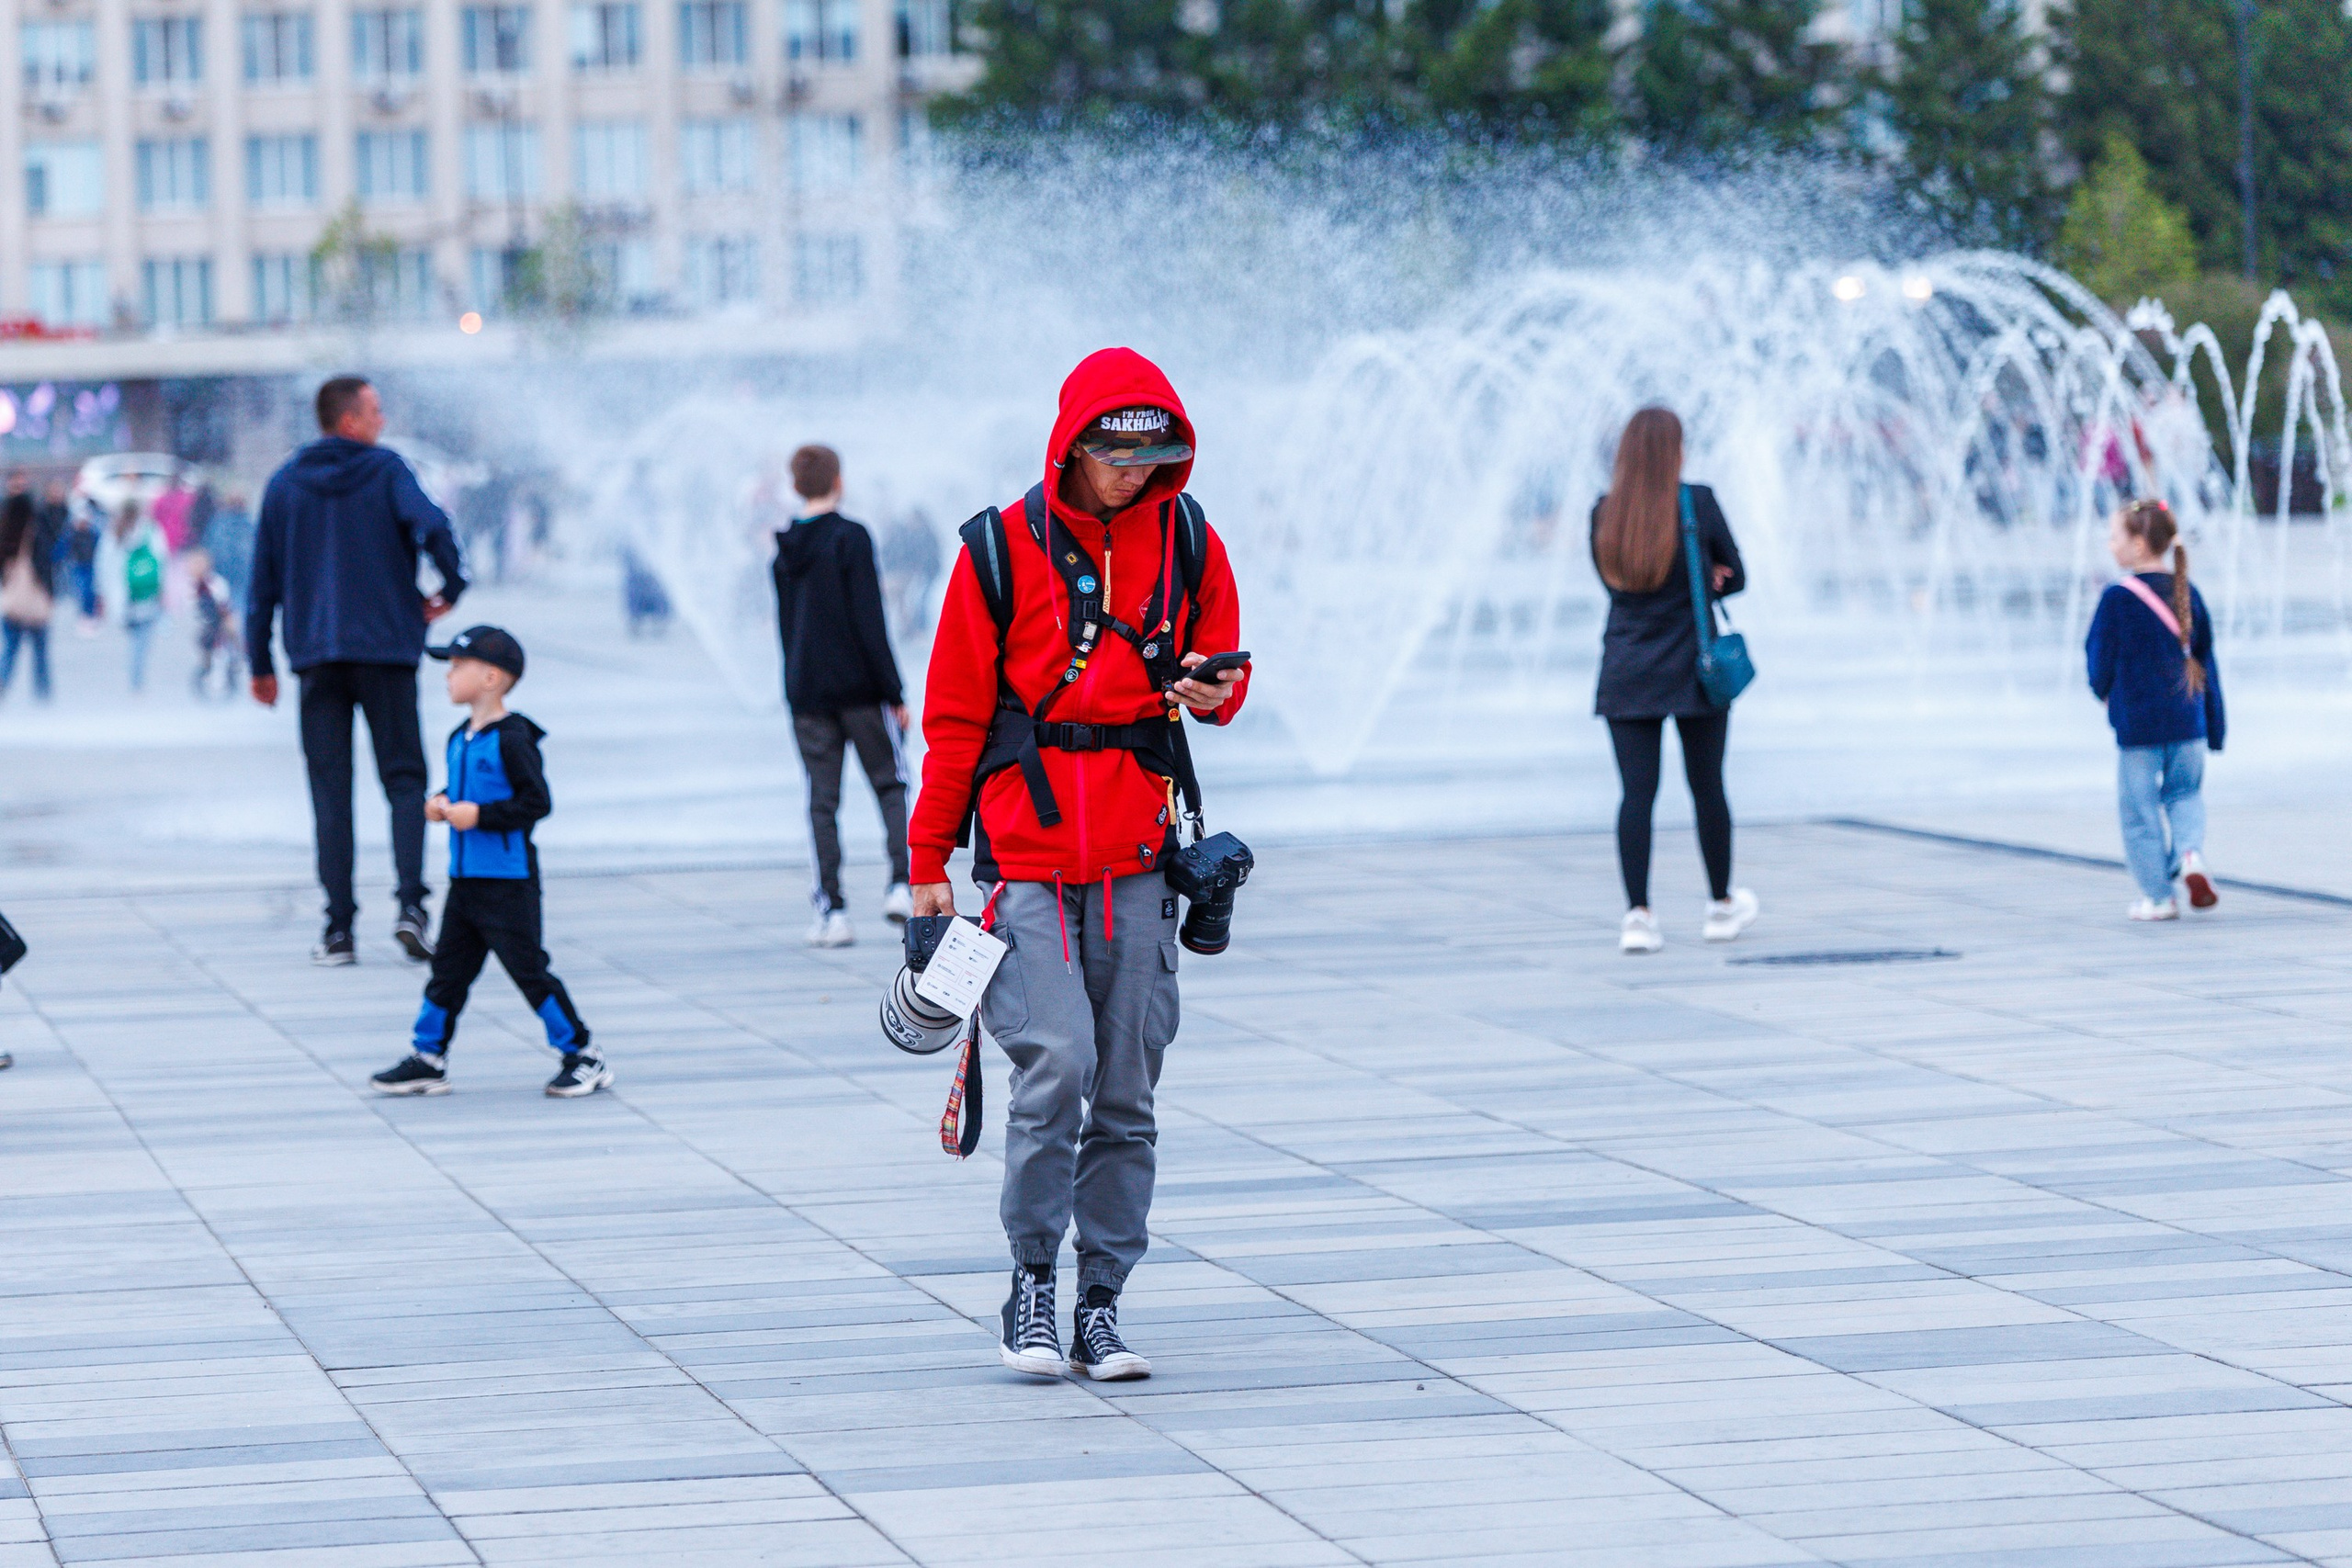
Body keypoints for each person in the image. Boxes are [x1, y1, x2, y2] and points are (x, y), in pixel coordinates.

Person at [909, 347, 1249, 1382]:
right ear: (1072, 444)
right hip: (1030, 859)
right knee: (1056, 1064)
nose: (1132, 477)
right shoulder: (996, 551)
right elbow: (956, 714)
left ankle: (1103, 1299)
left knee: (1129, 1091)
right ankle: (1032, 1285)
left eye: (1152, 460)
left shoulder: (1188, 538)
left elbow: (1226, 666)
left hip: (1143, 858)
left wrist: (1209, 692)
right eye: (1114, 457)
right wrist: (927, 856)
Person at [247, 375, 468, 967]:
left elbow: (261, 581)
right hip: (386, 650)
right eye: (374, 409)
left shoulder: (285, 484)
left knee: (330, 791)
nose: (382, 418)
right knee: (403, 781)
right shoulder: (387, 470)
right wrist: (451, 586)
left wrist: (260, 663)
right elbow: (435, 526)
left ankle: (339, 930)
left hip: (316, 657)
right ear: (347, 419)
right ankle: (411, 909)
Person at [369, 625, 610, 1099]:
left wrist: (478, 815)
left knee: (529, 970)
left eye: (458, 668)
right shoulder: (460, 737)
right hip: (465, 883)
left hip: (508, 882)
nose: (448, 677)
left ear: (491, 679)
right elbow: (463, 793)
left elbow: (536, 803)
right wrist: (441, 802)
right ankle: (428, 1057)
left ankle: (584, 1053)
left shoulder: (513, 739)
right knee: (448, 973)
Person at [1590, 406, 1758, 954]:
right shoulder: (1698, 503)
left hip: (1628, 668)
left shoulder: (1604, 512)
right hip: (1694, 664)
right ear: (1675, 451)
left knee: (1636, 794)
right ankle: (1719, 906)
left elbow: (1617, 587)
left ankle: (1638, 915)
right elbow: (1737, 577)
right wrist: (1708, 579)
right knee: (1707, 786)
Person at [771, 444, 912, 947]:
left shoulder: (784, 548)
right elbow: (870, 621)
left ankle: (831, 912)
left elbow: (787, 629)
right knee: (890, 785)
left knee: (822, 802)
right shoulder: (852, 537)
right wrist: (894, 691)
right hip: (860, 689)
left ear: (796, 486)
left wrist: (793, 687)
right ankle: (900, 885)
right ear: (838, 481)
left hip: (807, 693)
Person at [2086, 498, 2224, 920]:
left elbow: (2098, 660)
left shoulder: (2117, 598)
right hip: (2188, 724)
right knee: (2185, 795)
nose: (2110, 545)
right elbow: (2207, 663)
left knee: (2139, 812)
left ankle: (2158, 898)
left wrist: (2104, 692)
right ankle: (2189, 855)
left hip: (2139, 728)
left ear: (2141, 544)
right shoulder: (2188, 592)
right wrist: (2215, 726)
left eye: (2115, 537)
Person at [0, 471, 59, 702]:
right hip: (33, 597)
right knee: (39, 652)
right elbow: (46, 561)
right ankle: (43, 696)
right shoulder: (36, 526)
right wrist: (49, 591)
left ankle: (3, 689)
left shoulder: (5, 530)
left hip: (14, 598)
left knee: (11, 650)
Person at [107, 501, 168, 694]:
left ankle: (136, 679)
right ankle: (137, 680)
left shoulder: (114, 534)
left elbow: (106, 567)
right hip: (147, 593)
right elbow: (161, 557)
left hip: (126, 597)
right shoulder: (150, 531)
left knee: (135, 640)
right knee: (142, 639)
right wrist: (162, 587)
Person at [186, 547, 241, 699]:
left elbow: (225, 605)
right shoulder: (191, 585)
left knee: (223, 648)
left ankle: (232, 667)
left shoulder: (215, 583)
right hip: (203, 625)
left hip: (217, 623)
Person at [62, 485, 101, 631]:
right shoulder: (72, 532)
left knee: (90, 591)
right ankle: (84, 616)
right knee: (82, 590)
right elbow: (64, 547)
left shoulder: (93, 532)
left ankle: (90, 615)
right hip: (78, 563)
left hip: (91, 563)